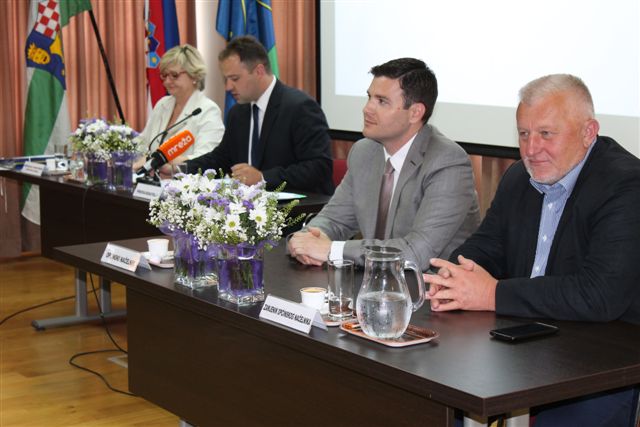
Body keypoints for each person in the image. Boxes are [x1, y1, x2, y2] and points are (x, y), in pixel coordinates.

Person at [425, 74, 640, 426]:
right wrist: (452, 277)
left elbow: (599, 294)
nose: (530, 149)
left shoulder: (626, 184)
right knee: (432, 396)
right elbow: (485, 246)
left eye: (546, 134)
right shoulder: (519, 177)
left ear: (588, 132)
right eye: (523, 134)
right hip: (523, 336)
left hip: (602, 356)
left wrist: (491, 294)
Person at [287, 58, 480, 270]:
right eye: (369, 97)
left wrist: (331, 250)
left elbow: (417, 252)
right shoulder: (364, 152)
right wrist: (306, 240)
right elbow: (334, 219)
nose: (367, 109)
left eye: (382, 101)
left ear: (415, 112)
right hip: (372, 280)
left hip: (429, 285)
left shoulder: (447, 162)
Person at [185, 36, 334, 195]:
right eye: (226, 79)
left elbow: (319, 167)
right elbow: (220, 158)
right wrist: (180, 170)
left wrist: (262, 177)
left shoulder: (300, 107)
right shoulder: (238, 113)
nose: (228, 87)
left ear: (259, 71)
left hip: (299, 204)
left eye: (234, 79)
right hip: (248, 204)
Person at [135, 44, 225, 171]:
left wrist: (168, 165)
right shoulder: (162, 104)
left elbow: (206, 159)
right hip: (151, 180)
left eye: (174, 75)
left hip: (183, 180)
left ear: (194, 75)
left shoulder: (208, 110)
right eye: (164, 75)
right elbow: (142, 143)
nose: (167, 81)